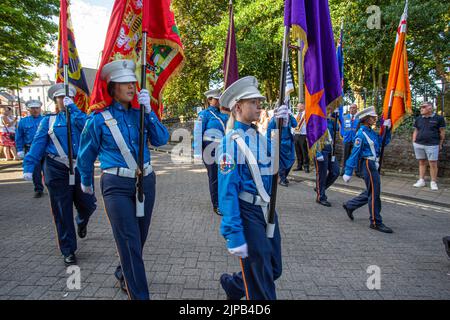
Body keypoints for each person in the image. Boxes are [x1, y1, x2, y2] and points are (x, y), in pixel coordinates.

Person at [77, 60, 169, 300]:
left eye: (132, 82)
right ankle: (140, 295)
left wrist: (150, 112)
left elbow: (161, 139)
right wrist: (86, 182)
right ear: (112, 88)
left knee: (139, 236)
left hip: (146, 181)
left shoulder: (141, 115)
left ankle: (123, 271)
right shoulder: (98, 119)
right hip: (116, 185)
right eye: (124, 83)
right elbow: (85, 154)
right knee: (129, 239)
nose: (131, 86)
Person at [217, 76, 288, 300]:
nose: (260, 106)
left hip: (267, 210)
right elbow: (227, 193)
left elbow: (284, 164)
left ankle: (234, 285)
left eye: (260, 102)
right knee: (261, 285)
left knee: (273, 268)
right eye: (254, 102)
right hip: (248, 214)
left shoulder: (260, 137)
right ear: (238, 107)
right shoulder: (230, 142)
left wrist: (283, 130)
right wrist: (234, 234)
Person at [23, 83, 97, 265]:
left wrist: (73, 109)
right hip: (56, 168)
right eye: (60, 98)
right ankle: (68, 249)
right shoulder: (48, 121)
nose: (64, 100)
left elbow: (89, 127)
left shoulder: (81, 117)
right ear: (55, 100)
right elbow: (38, 143)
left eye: (67, 97)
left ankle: (82, 219)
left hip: (80, 167)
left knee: (88, 205)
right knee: (62, 211)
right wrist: (29, 165)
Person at [342, 106, 393, 233]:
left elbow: (382, 143)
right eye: (372, 117)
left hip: (373, 164)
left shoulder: (370, 132)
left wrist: (387, 129)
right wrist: (348, 171)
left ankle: (350, 205)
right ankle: (375, 221)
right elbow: (354, 153)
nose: (375, 118)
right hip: (367, 164)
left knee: (372, 191)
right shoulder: (361, 134)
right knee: (374, 193)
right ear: (366, 119)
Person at [193, 87, 228, 216]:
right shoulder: (204, 114)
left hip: (223, 149)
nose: (219, 101)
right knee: (214, 177)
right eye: (217, 99)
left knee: (225, 175)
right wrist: (197, 152)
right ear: (209, 100)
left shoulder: (223, 115)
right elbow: (197, 133)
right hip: (209, 149)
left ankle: (224, 201)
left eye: (220, 99)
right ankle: (216, 204)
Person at [412, 101, 446, 191]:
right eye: (421, 107)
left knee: (433, 163)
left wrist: (440, 143)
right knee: (421, 162)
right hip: (419, 144)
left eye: (423, 107)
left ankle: (433, 182)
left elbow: (442, 132)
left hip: (432, 144)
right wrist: (414, 141)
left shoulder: (439, 118)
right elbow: (416, 130)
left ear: (430, 108)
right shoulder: (418, 118)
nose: (421, 109)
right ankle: (421, 180)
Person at [16, 100, 45, 198]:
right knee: (36, 172)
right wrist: (19, 149)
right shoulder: (23, 122)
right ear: (28, 109)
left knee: (48, 170)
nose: (35, 110)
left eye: (37, 108)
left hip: (45, 150)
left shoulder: (46, 119)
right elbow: (19, 136)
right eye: (33, 108)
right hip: (31, 149)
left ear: (40, 108)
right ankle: (38, 189)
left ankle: (51, 187)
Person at [314, 114, 340, 207]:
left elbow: (338, 129)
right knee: (322, 175)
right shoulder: (316, 120)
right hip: (321, 150)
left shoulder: (330, 120)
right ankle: (321, 197)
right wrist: (317, 152)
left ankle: (320, 188)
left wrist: (337, 116)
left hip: (330, 151)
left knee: (335, 172)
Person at [267, 105, 297, 187]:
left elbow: (295, 124)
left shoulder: (289, 118)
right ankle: (282, 178)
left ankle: (284, 176)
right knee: (281, 163)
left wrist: (290, 115)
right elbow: (270, 133)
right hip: (280, 143)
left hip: (289, 142)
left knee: (292, 160)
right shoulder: (274, 120)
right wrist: (273, 144)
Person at [341, 103, 359, 175]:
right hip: (347, 139)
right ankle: (344, 170)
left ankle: (357, 171)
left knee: (355, 155)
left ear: (356, 109)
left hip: (356, 140)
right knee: (345, 155)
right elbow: (342, 128)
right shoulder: (345, 117)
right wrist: (343, 135)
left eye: (354, 108)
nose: (352, 109)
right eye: (351, 108)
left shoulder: (359, 118)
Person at [292, 103, 309, 173]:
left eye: (298, 106)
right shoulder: (297, 115)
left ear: (303, 106)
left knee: (304, 151)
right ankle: (299, 165)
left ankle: (306, 166)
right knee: (298, 151)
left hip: (303, 134)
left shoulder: (306, 114)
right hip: (297, 134)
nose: (297, 107)